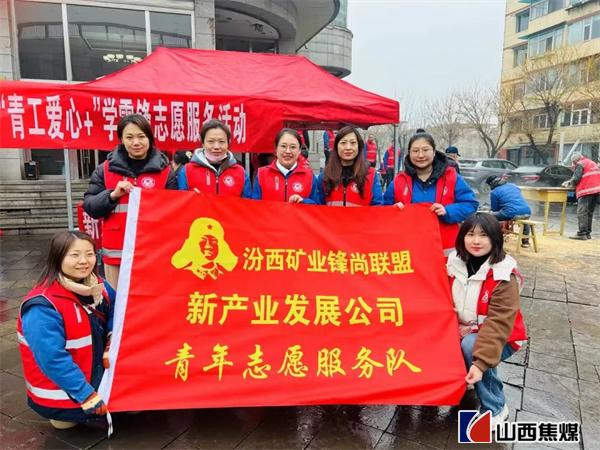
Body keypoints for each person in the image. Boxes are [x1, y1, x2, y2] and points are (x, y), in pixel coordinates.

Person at [17, 231, 115, 430]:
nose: (84, 261)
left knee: (136, 406)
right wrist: (86, 395)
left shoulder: (99, 285)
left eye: (89, 254)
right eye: (75, 255)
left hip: (97, 373)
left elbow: (118, 309)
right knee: (66, 425)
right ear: (57, 258)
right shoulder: (42, 306)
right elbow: (52, 359)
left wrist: (111, 338)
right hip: (64, 396)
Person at [446, 213, 527, 428]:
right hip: (464, 328)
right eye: (470, 234)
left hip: (501, 337)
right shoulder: (453, 263)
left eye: (483, 235)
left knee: (472, 347)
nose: (476, 241)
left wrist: (480, 364)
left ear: (495, 239)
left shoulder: (504, 275)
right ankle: (466, 380)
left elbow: (498, 325)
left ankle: (496, 407)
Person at [83, 114, 177, 289]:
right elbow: (90, 207)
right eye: (129, 137)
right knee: (116, 302)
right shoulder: (105, 170)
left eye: (141, 136)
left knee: (150, 300)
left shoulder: (165, 172)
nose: (136, 142)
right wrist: (112, 195)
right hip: (116, 255)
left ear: (149, 138)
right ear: (121, 139)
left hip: (153, 254)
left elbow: (175, 213)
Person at [384, 131, 478, 254]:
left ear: (434, 151)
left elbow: (470, 204)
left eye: (425, 150)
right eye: (415, 151)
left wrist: (447, 211)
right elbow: (383, 210)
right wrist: (393, 211)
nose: (420, 155)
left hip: (445, 249)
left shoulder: (451, 177)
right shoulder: (399, 181)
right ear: (409, 153)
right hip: (408, 249)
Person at [177, 119, 252, 198]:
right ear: (203, 143)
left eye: (221, 141)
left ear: (228, 143)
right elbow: (182, 202)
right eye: (211, 141)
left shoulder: (241, 173)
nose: (216, 147)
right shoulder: (187, 171)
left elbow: (247, 204)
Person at [315, 125, 383, 206]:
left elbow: (379, 207)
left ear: (359, 146)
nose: (348, 147)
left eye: (353, 143)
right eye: (343, 143)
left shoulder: (371, 175)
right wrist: (304, 202)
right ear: (336, 147)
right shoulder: (325, 176)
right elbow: (316, 207)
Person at [252, 128, 318, 203]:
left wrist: (303, 201)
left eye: (293, 147)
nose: (288, 151)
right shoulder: (262, 175)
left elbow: (318, 205)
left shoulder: (309, 176)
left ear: (299, 150)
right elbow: (254, 206)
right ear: (276, 149)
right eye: (283, 146)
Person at [485, 176, 532, 248]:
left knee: (489, 216)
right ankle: (525, 242)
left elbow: (495, 209)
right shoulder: (513, 186)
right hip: (527, 211)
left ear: (491, 184)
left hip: (511, 213)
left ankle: (494, 239)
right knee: (525, 219)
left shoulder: (494, 192)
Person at [562, 151, 600, 240]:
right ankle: (587, 233)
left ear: (575, 161)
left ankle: (582, 233)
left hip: (586, 190)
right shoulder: (591, 162)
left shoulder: (580, 164)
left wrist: (568, 183)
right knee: (589, 212)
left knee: (582, 212)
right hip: (596, 190)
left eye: (573, 163)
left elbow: (576, 179)